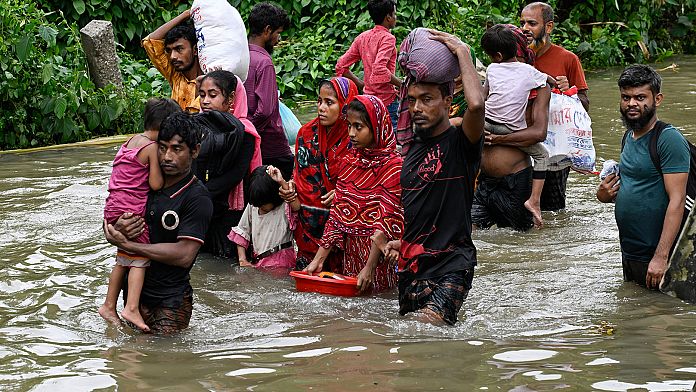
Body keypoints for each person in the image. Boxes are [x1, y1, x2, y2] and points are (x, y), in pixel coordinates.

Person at [397, 30, 485, 325]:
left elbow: (476, 106)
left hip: (452, 262)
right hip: (411, 266)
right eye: (412, 100)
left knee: (424, 328)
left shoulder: (461, 143)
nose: (417, 108)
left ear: (448, 102)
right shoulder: (410, 149)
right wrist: (395, 242)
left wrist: (462, 51)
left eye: (427, 99)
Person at [103, 112, 213, 334]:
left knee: (163, 363)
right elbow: (113, 216)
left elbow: (184, 255)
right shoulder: (145, 183)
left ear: (195, 151)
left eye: (176, 149)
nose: (167, 157)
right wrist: (115, 230)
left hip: (170, 302)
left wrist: (131, 246)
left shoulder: (197, 198)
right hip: (132, 298)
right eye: (162, 148)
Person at [597, 64, 689, 289]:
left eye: (640, 97)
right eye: (626, 97)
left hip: (658, 255)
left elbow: (677, 201)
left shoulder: (669, 140)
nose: (631, 104)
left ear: (657, 99)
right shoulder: (628, 137)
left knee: (660, 318)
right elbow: (636, 188)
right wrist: (604, 195)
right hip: (630, 251)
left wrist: (662, 256)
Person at [305, 95, 403, 292]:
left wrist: (370, 267)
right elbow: (336, 216)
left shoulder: (394, 167)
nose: (351, 133)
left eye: (358, 127)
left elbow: (386, 221)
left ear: (376, 127)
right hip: (352, 256)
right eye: (349, 126)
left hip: (381, 259)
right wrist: (318, 260)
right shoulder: (350, 162)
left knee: (380, 305)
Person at [99, 98, 181, 331]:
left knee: (122, 259)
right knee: (139, 259)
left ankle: (108, 305)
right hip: (131, 210)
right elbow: (155, 184)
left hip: (114, 207)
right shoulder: (151, 148)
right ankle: (131, 308)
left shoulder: (129, 142)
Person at [280, 77, 359, 271]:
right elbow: (300, 175)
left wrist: (344, 194)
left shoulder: (357, 139)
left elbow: (364, 183)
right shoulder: (305, 134)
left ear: (346, 106)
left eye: (329, 102)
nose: (321, 108)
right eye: (319, 101)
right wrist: (290, 189)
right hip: (308, 226)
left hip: (344, 230)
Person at [480, 24, 552, 228]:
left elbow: (482, 100)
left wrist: (492, 136)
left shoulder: (492, 69)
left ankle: (534, 201)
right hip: (504, 132)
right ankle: (534, 200)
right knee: (543, 156)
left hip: (487, 123)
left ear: (497, 55)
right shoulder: (531, 73)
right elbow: (549, 81)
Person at [520, 2, 590, 212]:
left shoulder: (568, 59)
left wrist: (570, 92)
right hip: (519, 140)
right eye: (522, 23)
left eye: (532, 23)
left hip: (554, 147)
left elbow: (584, 106)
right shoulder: (516, 57)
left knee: (553, 209)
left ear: (548, 27)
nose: (525, 28)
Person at [196, 71, 256, 259]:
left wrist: (199, 192)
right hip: (202, 205)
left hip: (231, 209)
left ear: (231, 98)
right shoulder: (197, 127)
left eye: (213, 95)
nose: (205, 101)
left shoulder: (245, 132)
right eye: (202, 94)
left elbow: (236, 174)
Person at [245, 2, 294, 180]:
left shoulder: (239, 56)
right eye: (278, 33)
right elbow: (265, 110)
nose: (278, 39)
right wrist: (249, 128)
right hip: (270, 144)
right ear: (267, 30)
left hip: (247, 143)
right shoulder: (264, 63)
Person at [335, 0, 401, 129]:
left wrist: (362, 84)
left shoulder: (363, 37)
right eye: (394, 14)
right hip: (386, 101)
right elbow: (379, 69)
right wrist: (402, 84)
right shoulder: (388, 38)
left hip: (367, 101)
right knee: (393, 141)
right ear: (388, 17)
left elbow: (341, 65)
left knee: (372, 138)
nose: (395, 17)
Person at [229, 165, 296, 270]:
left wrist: (281, 182)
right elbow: (242, 231)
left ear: (275, 196)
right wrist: (242, 259)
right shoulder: (254, 205)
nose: (260, 207)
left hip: (282, 263)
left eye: (263, 204)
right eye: (257, 205)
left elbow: (296, 206)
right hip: (258, 261)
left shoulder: (285, 207)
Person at [142, 10, 202, 112]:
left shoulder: (210, 81)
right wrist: (184, 15)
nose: (172, 57)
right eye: (169, 51)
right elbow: (149, 42)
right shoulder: (175, 75)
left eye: (179, 49)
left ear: (195, 50)